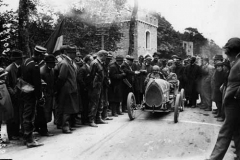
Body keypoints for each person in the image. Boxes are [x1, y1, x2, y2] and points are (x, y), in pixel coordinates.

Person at [206, 37, 240, 160]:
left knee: (225, 131)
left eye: (228, 52)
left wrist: (236, 94)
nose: (227, 55)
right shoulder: (236, 61)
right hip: (232, 101)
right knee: (236, 130)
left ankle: (215, 158)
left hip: (235, 102)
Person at [20, 45, 45, 147]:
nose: (43, 58)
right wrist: (39, 97)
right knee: (30, 116)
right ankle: (30, 140)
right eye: (42, 55)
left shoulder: (26, 61)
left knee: (26, 114)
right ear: (39, 55)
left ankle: (26, 137)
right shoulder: (34, 66)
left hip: (24, 91)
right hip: (31, 94)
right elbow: (37, 84)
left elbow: (20, 77)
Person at [55, 45, 79, 133]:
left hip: (71, 88)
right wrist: (61, 88)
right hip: (66, 89)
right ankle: (65, 126)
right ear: (70, 54)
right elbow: (62, 77)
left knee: (70, 108)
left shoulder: (70, 62)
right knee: (66, 109)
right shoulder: (65, 63)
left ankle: (67, 125)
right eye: (74, 53)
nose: (75, 55)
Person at [5, 49, 23, 140]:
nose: (22, 60)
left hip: (18, 94)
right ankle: (11, 134)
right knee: (12, 116)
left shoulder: (19, 67)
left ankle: (16, 131)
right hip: (12, 96)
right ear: (17, 59)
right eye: (20, 58)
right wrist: (13, 94)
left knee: (17, 115)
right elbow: (7, 85)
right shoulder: (9, 69)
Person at [36, 54, 56, 136]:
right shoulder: (42, 71)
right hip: (44, 95)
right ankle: (43, 130)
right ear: (48, 63)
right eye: (52, 63)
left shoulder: (51, 70)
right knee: (43, 113)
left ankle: (40, 128)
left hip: (49, 94)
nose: (54, 64)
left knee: (46, 113)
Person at [88, 50, 108, 127]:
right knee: (94, 103)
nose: (106, 58)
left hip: (99, 85)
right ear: (102, 55)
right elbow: (91, 76)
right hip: (95, 86)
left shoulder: (100, 63)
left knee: (100, 102)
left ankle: (98, 118)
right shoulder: (95, 63)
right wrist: (92, 87)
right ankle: (91, 120)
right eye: (105, 56)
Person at [78, 55, 93, 125]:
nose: (92, 61)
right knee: (84, 105)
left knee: (87, 104)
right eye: (91, 60)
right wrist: (85, 87)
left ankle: (86, 119)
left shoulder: (89, 68)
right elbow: (80, 79)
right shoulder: (83, 69)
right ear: (88, 61)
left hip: (88, 89)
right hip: (84, 90)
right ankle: (84, 120)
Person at [0, 68, 13, 144]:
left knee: (7, 120)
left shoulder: (4, 84)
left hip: (6, 105)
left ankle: (6, 137)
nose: (5, 77)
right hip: (2, 106)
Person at [101, 52, 113, 121]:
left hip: (106, 85)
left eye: (109, 59)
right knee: (103, 100)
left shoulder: (107, 66)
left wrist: (108, 79)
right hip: (102, 85)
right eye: (108, 59)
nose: (109, 61)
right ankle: (102, 116)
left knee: (106, 100)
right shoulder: (103, 65)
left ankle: (105, 115)